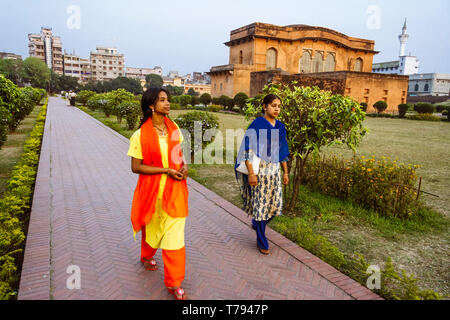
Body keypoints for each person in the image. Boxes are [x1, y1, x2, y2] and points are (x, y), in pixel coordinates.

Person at [128, 87, 189, 300]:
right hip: (153, 192)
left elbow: (179, 157)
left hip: (175, 192)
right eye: (162, 100)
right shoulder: (139, 135)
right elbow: (136, 167)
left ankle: (174, 283)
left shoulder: (174, 130)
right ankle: (146, 256)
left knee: (174, 237)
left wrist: (183, 168)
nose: (168, 103)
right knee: (152, 228)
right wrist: (165, 170)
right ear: (152, 106)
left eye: (168, 99)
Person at [235, 94, 290, 255]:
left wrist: (285, 172)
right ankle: (261, 239)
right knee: (260, 206)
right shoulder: (257, 125)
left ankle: (257, 223)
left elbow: (282, 151)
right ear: (265, 106)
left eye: (279, 106)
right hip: (260, 173)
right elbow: (247, 150)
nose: (277, 109)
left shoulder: (280, 127)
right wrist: (251, 173)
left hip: (274, 172)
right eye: (273, 105)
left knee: (275, 206)